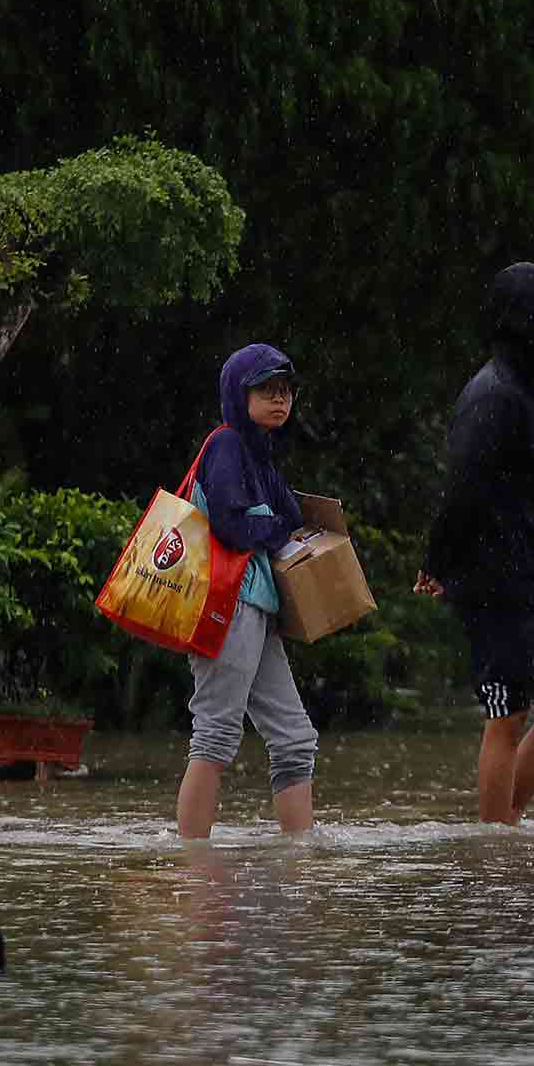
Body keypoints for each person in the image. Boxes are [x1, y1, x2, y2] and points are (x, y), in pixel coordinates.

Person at [414, 261, 534, 824]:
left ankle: (503, 824)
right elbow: (462, 490)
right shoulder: (489, 397)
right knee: (508, 714)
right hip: (496, 583)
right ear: (527, 319)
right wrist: (438, 562)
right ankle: (494, 853)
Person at [176, 343, 319, 839]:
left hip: (258, 608)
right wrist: (277, 528)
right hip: (225, 607)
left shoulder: (260, 453)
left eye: (285, 392)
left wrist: (277, 524)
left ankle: (298, 862)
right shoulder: (226, 446)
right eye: (266, 390)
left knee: (295, 739)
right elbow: (236, 528)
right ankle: (192, 870)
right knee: (215, 734)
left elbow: (292, 518)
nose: (280, 400)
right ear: (240, 395)